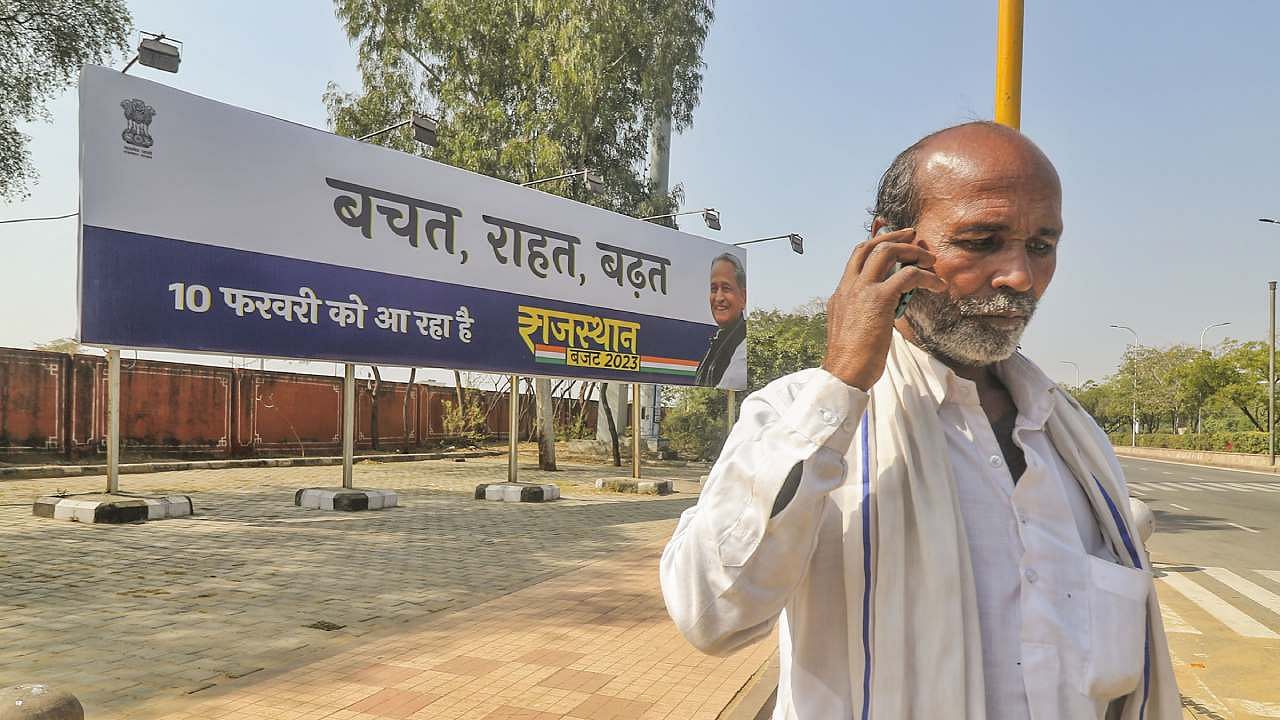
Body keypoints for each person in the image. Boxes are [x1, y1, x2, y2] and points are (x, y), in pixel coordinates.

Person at [660, 122, 1178, 719]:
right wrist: (842, 382)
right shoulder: (800, 415)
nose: (1020, 277)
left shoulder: (1070, 436)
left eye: (1041, 245)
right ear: (890, 245)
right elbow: (710, 615)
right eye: (983, 241)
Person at [695, 252, 748, 389]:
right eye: (714, 289)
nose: (719, 298)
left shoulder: (743, 347)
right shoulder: (716, 343)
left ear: (743, 297)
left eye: (726, 288)